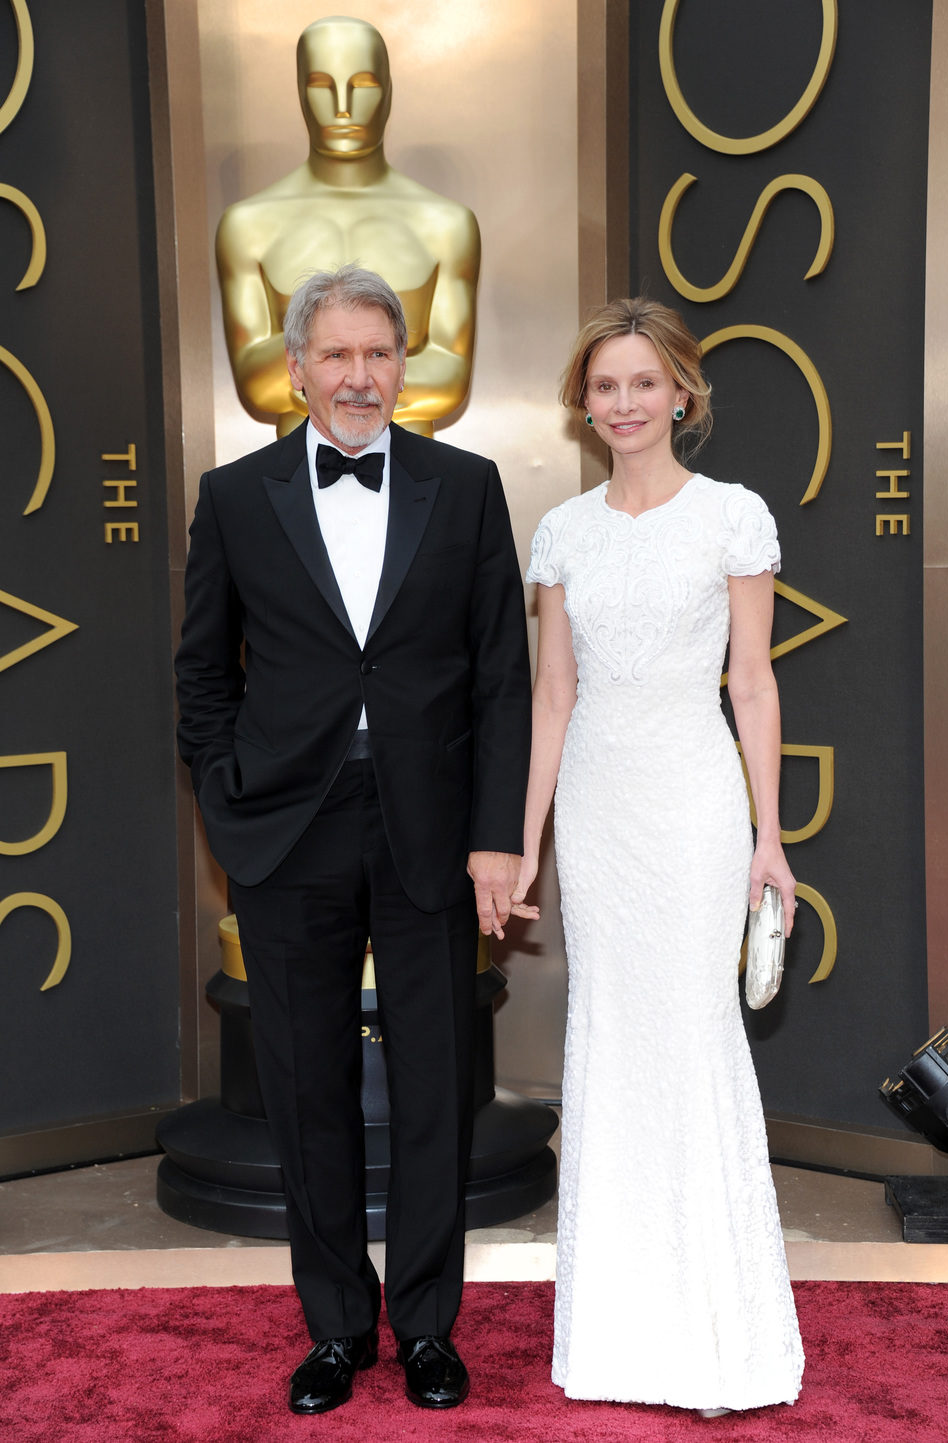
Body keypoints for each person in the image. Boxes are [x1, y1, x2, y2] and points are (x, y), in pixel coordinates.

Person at [175, 265, 530, 1415]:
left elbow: (500, 681)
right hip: (288, 829)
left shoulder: (467, 488)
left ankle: (426, 1325)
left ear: (403, 364)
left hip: (431, 824)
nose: (361, 375)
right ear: (298, 368)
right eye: (338, 354)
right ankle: (337, 1327)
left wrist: (494, 838)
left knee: (434, 1085)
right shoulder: (234, 497)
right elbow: (200, 674)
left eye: (380, 353)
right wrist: (229, 801)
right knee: (304, 1087)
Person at [510, 298, 805, 1414]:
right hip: (595, 808)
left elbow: (754, 685)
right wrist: (528, 840)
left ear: (681, 392)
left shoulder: (732, 518)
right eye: (604, 385)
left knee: (690, 1032)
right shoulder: (563, 532)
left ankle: (717, 1333)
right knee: (612, 1037)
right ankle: (620, 1332)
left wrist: (769, 836)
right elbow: (551, 696)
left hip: (689, 800)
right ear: (582, 403)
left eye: (643, 382)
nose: (623, 402)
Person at [216, 15, 480, 438]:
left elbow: (451, 375)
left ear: (389, 92)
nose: (342, 106)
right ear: (300, 92)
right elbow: (254, 380)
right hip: (297, 479)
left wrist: (322, 372)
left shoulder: (447, 224)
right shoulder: (248, 225)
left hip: (416, 473)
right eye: (322, 85)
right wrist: (381, 370)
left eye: (364, 85)